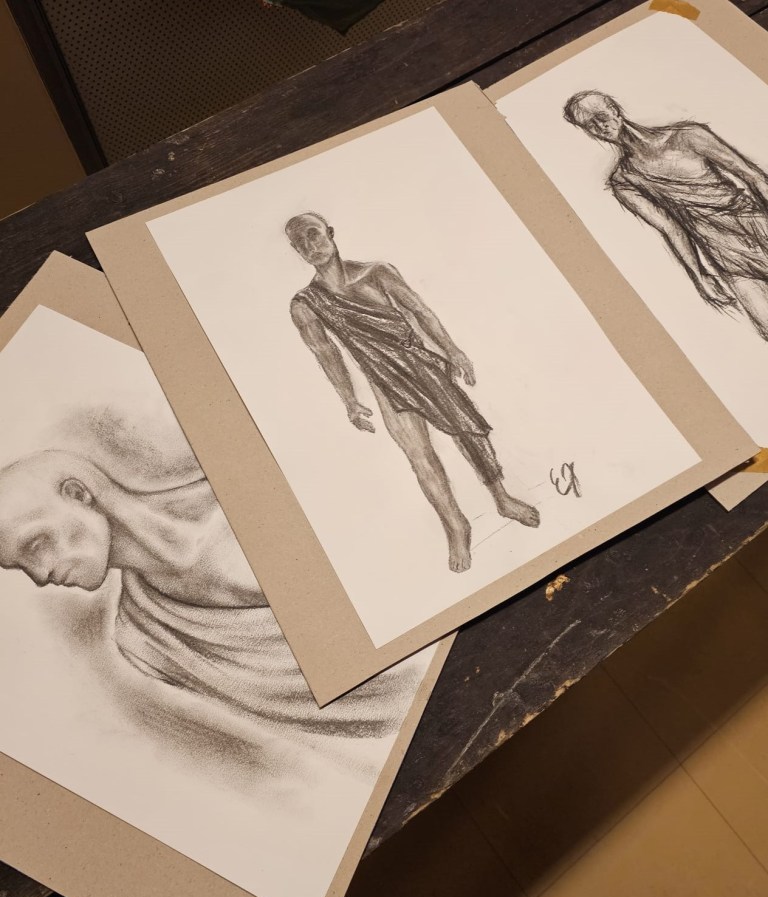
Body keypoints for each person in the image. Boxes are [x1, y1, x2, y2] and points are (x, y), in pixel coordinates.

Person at [0, 449, 419, 781]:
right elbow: (323, 742)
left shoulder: (252, 500)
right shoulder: (141, 641)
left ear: (78, 495)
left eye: (36, 545)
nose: (39, 576)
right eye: (21, 566)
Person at [285, 212, 540, 575]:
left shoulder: (376, 272)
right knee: (420, 457)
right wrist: (350, 402)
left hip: (422, 365)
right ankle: (456, 526)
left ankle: (502, 500)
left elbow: (420, 311)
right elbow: (327, 354)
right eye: (301, 243)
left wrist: (453, 350)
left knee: (470, 432)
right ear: (296, 251)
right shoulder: (305, 303)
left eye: (314, 234)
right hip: (385, 382)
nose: (311, 246)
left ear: (330, 232)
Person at [563, 90, 768, 341]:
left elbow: (752, 176)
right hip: (726, 255)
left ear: (615, 111)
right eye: (589, 125)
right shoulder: (624, 180)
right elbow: (670, 228)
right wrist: (699, 275)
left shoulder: (688, 135)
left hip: (758, 226)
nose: (600, 127)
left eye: (601, 117)